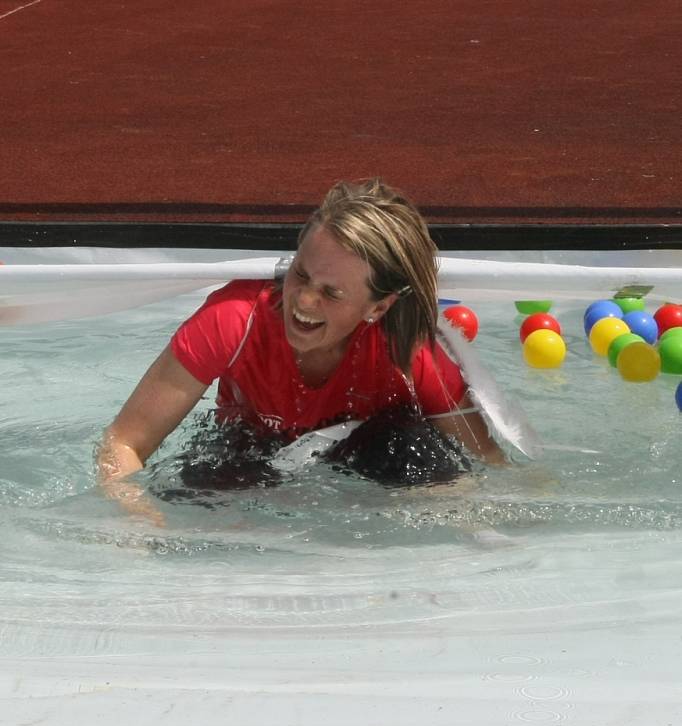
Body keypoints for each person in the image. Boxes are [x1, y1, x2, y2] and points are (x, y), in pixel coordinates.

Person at [97, 179, 504, 506]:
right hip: (251, 451)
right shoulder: (234, 320)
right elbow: (124, 441)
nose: (304, 301)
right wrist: (138, 526)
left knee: (416, 454)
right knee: (193, 496)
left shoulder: (410, 350)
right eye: (301, 274)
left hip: (373, 454)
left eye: (333, 293)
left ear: (377, 308)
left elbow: (489, 468)